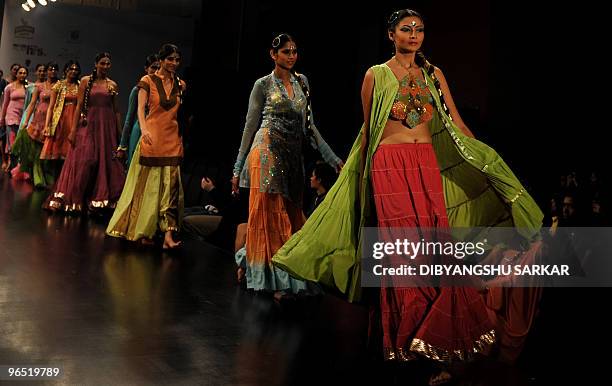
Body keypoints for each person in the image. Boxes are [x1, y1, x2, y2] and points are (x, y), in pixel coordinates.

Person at [273, 9, 544, 383]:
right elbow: (369, 132)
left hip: (425, 165)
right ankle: (401, 343)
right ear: (391, 34)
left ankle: (433, 344)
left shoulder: (433, 74)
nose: (414, 34)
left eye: (419, 29)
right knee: (400, 252)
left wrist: (485, 162)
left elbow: (457, 124)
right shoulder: (376, 74)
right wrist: (357, 181)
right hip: (388, 167)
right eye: (406, 29)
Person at [231, 33, 343, 299]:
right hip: (266, 151)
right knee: (270, 215)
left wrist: (332, 158)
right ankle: (276, 281)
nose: (291, 56)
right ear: (273, 55)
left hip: (292, 157)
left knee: (290, 214)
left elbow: (309, 126)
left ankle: (251, 266)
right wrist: (237, 168)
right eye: (285, 52)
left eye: (294, 51)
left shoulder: (302, 83)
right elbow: (250, 125)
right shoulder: (263, 84)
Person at [106, 44, 186, 249]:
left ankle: (169, 235)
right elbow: (140, 110)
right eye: (170, 59)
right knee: (148, 188)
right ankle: (145, 228)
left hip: (172, 139)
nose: (174, 63)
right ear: (161, 60)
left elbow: (180, 115)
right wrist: (144, 130)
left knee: (172, 188)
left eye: (177, 60)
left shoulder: (181, 84)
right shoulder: (147, 81)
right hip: (152, 137)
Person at [45, 53, 124, 212]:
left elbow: (116, 110)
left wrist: (119, 132)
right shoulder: (86, 81)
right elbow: (79, 106)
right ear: (96, 64)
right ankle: (76, 196)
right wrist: (73, 130)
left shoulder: (112, 85)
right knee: (86, 159)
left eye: (108, 64)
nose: (105, 66)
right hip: (89, 124)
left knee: (105, 161)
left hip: (106, 126)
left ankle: (100, 199)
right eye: (102, 63)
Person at [12, 63, 58, 187]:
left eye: (55, 70)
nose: (52, 72)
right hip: (38, 118)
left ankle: (43, 174)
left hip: (52, 119)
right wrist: (26, 120)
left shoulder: (59, 86)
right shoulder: (39, 86)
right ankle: (36, 176)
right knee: (35, 149)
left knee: (45, 148)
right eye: (50, 69)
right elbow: (32, 104)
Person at [116, 54, 160, 168]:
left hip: (157, 132)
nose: (156, 71)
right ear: (146, 68)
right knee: (135, 168)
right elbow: (129, 118)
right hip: (140, 130)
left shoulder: (163, 92)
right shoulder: (138, 90)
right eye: (153, 67)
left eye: (158, 68)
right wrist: (122, 145)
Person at [40, 61, 81, 181]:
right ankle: (54, 180)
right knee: (57, 149)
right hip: (60, 119)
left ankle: (65, 179)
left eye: (76, 69)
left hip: (74, 119)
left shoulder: (80, 85)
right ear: (65, 70)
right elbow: (51, 107)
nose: (73, 71)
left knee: (70, 149)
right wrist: (47, 125)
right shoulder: (59, 85)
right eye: (71, 69)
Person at [1, 65, 28, 172]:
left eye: (24, 73)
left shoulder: (29, 87)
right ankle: (11, 164)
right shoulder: (9, 87)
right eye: (20, 73)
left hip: (23, 117)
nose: (22, 75)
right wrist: (2, 119)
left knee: (20, 143)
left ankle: (18, 166)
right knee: (11, 142)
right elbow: (5, 103)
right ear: (16, 74)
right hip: (11, 117)